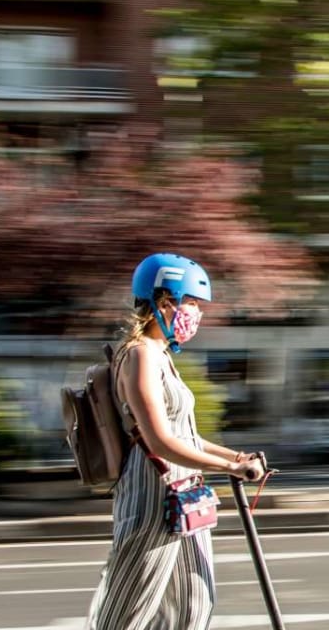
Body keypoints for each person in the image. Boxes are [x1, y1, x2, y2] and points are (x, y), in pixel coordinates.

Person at [86, 253, 267, 630]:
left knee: (192, 608)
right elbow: (159, 441)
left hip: (183, 494)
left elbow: (188, 435)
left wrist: (236, 456)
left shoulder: (161, 356)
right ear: (163, 302)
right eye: (193, 304)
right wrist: (230, 468)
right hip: (153, 493)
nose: (196, 315)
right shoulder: (139, 356)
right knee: (125, 614)